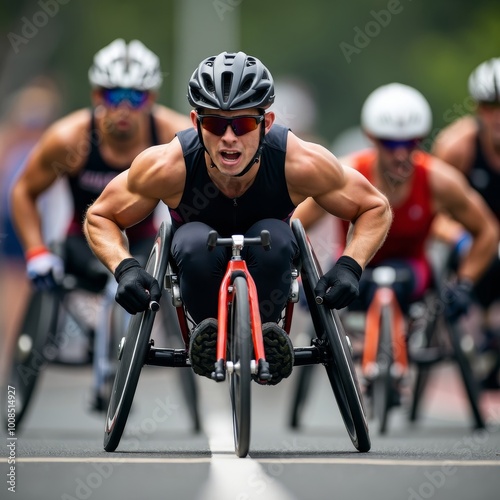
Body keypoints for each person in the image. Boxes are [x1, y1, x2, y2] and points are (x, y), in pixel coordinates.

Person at [83, 51, 392, 386]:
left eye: (243, 124)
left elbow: (374, 207)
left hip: (269, 254)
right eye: (215, 124)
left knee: (275, 234)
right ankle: (208, 333)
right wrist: (125, 269)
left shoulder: (299, 162)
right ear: (195, 123)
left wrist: (350, 266)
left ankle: (266, 335)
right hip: (198, 255)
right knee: (193, 240)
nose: (229, 137)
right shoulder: (167, 166)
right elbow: (100, 215)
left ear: (267, 123)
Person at [10, 38, 192, 410]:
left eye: (136, 97)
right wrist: (36, 252)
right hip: (81, 244)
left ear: (152, 98)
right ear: (96, 94)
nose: (123, 108)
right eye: (114, 95)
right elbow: (23, 192)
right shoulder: (69, 138)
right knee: (57, 269)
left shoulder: (174, 137)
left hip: (143, 247)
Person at [293, 83, 498, 324]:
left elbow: (487, 230)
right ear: (372, 138)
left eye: (410, 143)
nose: (401, 154)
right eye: (390, 144)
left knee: (395, 285)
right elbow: (295, 224)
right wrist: (299, 279)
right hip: (352, 265)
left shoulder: (439, 180)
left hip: (411, 269)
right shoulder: (347, 175)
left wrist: (464, 284)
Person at [432, 58, 500, 388]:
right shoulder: (456, 146)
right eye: (490, 106)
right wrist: (458, 236)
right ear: (478, 108)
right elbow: (435, 212)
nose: (497, 116)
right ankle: (480, 329)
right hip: (472, 239)